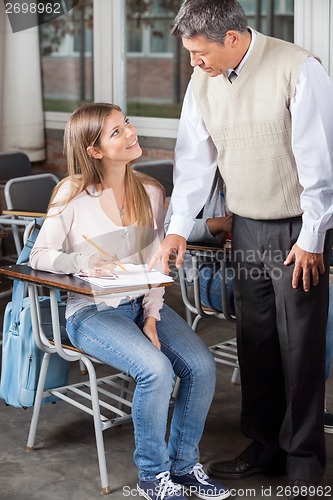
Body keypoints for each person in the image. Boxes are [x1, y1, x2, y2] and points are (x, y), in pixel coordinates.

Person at [149, 1, 333, 499]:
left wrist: (314, 238)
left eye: (198, 53)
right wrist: (178, 229)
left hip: (298, 228)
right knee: (255, 341)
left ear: (232, 38)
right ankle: (263, 447)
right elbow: (193, 163)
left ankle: (303, 461)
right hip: (247, 225)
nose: (194, 63)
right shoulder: (203, 83)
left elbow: (320, 163)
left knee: (299, 343)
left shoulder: (299, 69)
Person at [29, 102, 230, 500]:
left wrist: (152, 317)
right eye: (116, 132)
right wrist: (82, 259)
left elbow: (156, 263)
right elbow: (39, 257)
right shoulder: (72, 192)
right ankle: (153, 477)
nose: (130, 133)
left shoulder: (151, 191)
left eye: (127, 124)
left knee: (202, 367)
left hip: (141, 304)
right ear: (94, 150)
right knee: (156, 370)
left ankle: (185, 467)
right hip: (91, 311)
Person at [165, 169, 235, 316]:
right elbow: (170, 230)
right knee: (255, 290)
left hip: (252, 260)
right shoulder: (194, 173)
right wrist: (219, 224)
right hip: (207, 267)